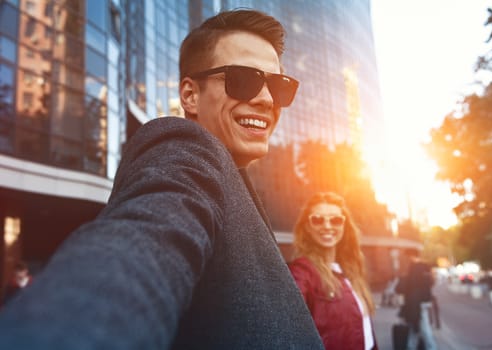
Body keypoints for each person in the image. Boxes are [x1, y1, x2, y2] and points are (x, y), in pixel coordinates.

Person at [0, 9, 324, 350]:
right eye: (243, 79)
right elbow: (146, 239)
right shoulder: (185, 149)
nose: (267, 100)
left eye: (278, 86)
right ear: (189, 96)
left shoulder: (234, 182)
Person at [288, 192, 378, 350]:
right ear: (307, 227)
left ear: (344, 226)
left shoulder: (349, 270)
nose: (327, 226)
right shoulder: (302, 271)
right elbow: (286, 322)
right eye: (317, 219)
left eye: (336, 220)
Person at [396, 252, 437, 350]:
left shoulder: (414, 271)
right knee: (416, 330)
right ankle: (412, 347)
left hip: (417, 306)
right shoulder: (424, 271)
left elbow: (401, 289)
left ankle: (425, 347)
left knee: (422, 331)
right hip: (421, 304)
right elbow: (430, 284)